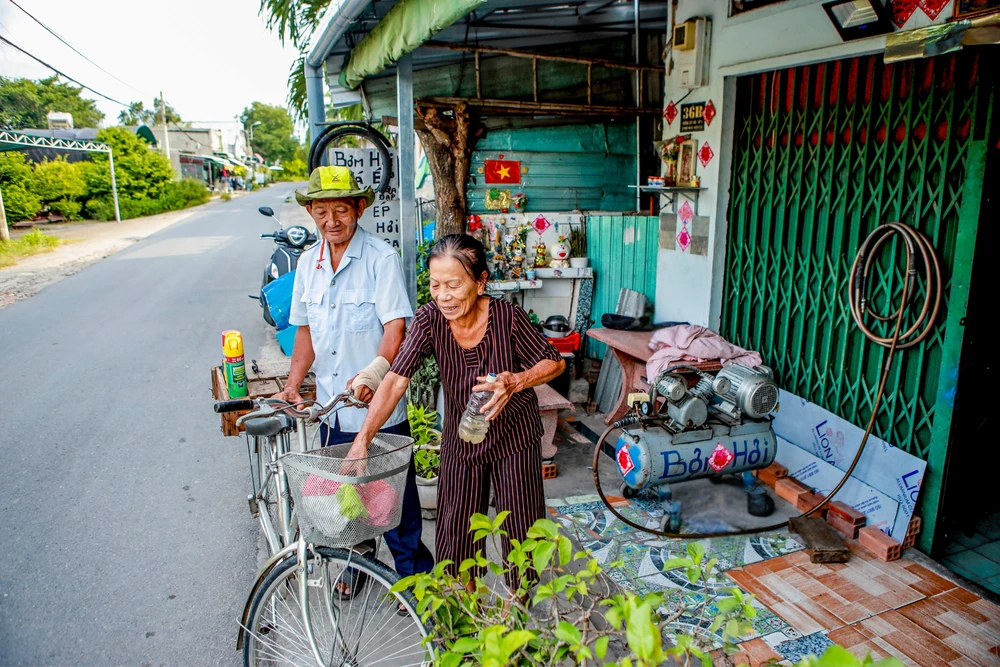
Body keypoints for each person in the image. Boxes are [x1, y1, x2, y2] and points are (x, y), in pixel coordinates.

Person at [347, 234, 565, 574]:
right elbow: (396, 378)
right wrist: (362, 441)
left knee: (522, 536)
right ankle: (465, 618)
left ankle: (518, 614)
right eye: (436, 285)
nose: (443, 296)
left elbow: (553, 361)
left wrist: (517, 381)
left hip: (515, 437)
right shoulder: (429, 319)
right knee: (457, 537)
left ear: (480, 283)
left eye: (453, 284)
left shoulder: (507, 317)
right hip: (463, 438)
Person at [274, 165, 434, 590]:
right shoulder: (308, 263)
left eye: (341, 210)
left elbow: (396, 329)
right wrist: (293, 382)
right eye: (321, 211)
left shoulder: (380, 259)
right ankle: (358, 565)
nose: (331, 221)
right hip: (332, 408)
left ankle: (416, 580)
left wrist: (373, 374)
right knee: (347, 498)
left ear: (359, 208)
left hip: (378, 406)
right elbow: (304, 332)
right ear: (309, 212)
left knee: (395, 502)